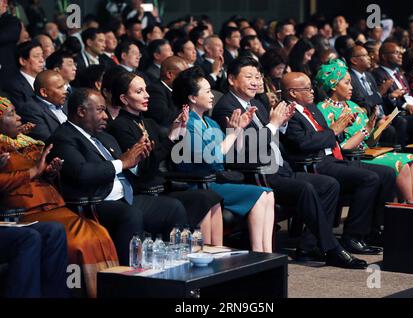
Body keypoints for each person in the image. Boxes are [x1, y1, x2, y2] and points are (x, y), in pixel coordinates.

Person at [212, 57, 368, 269]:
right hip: (257, 172)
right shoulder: (227, 108)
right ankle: (332, 249)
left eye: (257, 77)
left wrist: (282, 124)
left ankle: (308, 245)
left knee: (329, 184)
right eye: (248, 77)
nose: (255, 82)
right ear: (231, 79)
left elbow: (274, 137)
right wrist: (275, 125)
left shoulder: (257, 103)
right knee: (306, 188)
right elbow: (244, 150)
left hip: (280, 166)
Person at [47, 88, 188, 266]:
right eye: (99, 110)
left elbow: (127, 167)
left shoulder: (105, 137)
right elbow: (82, 173)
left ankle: (178, 266)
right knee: (130, 215)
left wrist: (138, 159)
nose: (106, 116)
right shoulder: (63, 138)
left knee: (172, 207)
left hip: (125, 197)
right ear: (81, 111)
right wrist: (123, 162)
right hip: (95, 203)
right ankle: (128, 277)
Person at [0, 96, 119, 298]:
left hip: (54, 203)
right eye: (11, 114)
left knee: (99, 233)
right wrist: (33, 172)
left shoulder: (28, 142)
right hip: (24, 210)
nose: (19, 117)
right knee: (78, 241)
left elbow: (42, 174)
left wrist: (49, 172)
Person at [107, 72, 223, 246]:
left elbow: (162, 155)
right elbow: (143, 168)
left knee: (208, 196)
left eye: (146, 90)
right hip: (142, 190)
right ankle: (198, 253)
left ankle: (216, 252)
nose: (147, 95)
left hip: (160, 186)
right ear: (124, 98)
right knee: (194, 201)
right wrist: (169, 139)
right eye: (139, 92)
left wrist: (178, 134)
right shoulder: (120, 126)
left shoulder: (149, 123)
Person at [281, 72, 396, 248]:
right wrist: (333, 131)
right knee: (368, 179)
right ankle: (352, 236)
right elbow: (303, 143)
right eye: (306, 88)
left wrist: (343, 129)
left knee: (387, 173)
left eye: (311, 87)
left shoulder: (312, 108)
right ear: (292, 93)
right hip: (315, 163)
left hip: (333, 157)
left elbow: (326, 136)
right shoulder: (287, 113)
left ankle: (374, 230)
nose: (312, 91)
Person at [172, 67, 274, 253]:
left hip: (215, 179)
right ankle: (259, 252)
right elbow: (211, 158)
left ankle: (266, 252)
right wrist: (233, 134)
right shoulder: (188, 124)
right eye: (207, 91)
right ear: (192, 98)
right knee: (260, 194)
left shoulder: (210, 123)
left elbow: (231, 153)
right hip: (199, 183)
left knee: (268, 193)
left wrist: (239, 130)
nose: (212, 95)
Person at [316, 59, 413, 203]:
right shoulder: (323, 109)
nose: (351, 87)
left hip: (367, 152)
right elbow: (340, 147)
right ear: (334, 85)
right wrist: (366, 130)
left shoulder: (353, 105)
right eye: (346, 83)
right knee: (402, 164)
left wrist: (379, 127)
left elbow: (370, 141)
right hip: (351, 159)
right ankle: (410, 210)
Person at [372, 42, 413, 146]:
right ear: (384, 56)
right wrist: (404, 105)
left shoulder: (399, 74)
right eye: (396, 53)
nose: (400, 55)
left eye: (401, 53)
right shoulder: (377, 73)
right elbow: (382, 98)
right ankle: (403, 154)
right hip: (392, 113)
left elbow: (408, 95)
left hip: (408, 112)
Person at [19, 70, 68, 142]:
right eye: (59, 88)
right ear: (44, 92)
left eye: (64, 86)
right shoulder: (31, 110)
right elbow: (48, 142)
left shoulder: (65, 102)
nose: (65, 91)